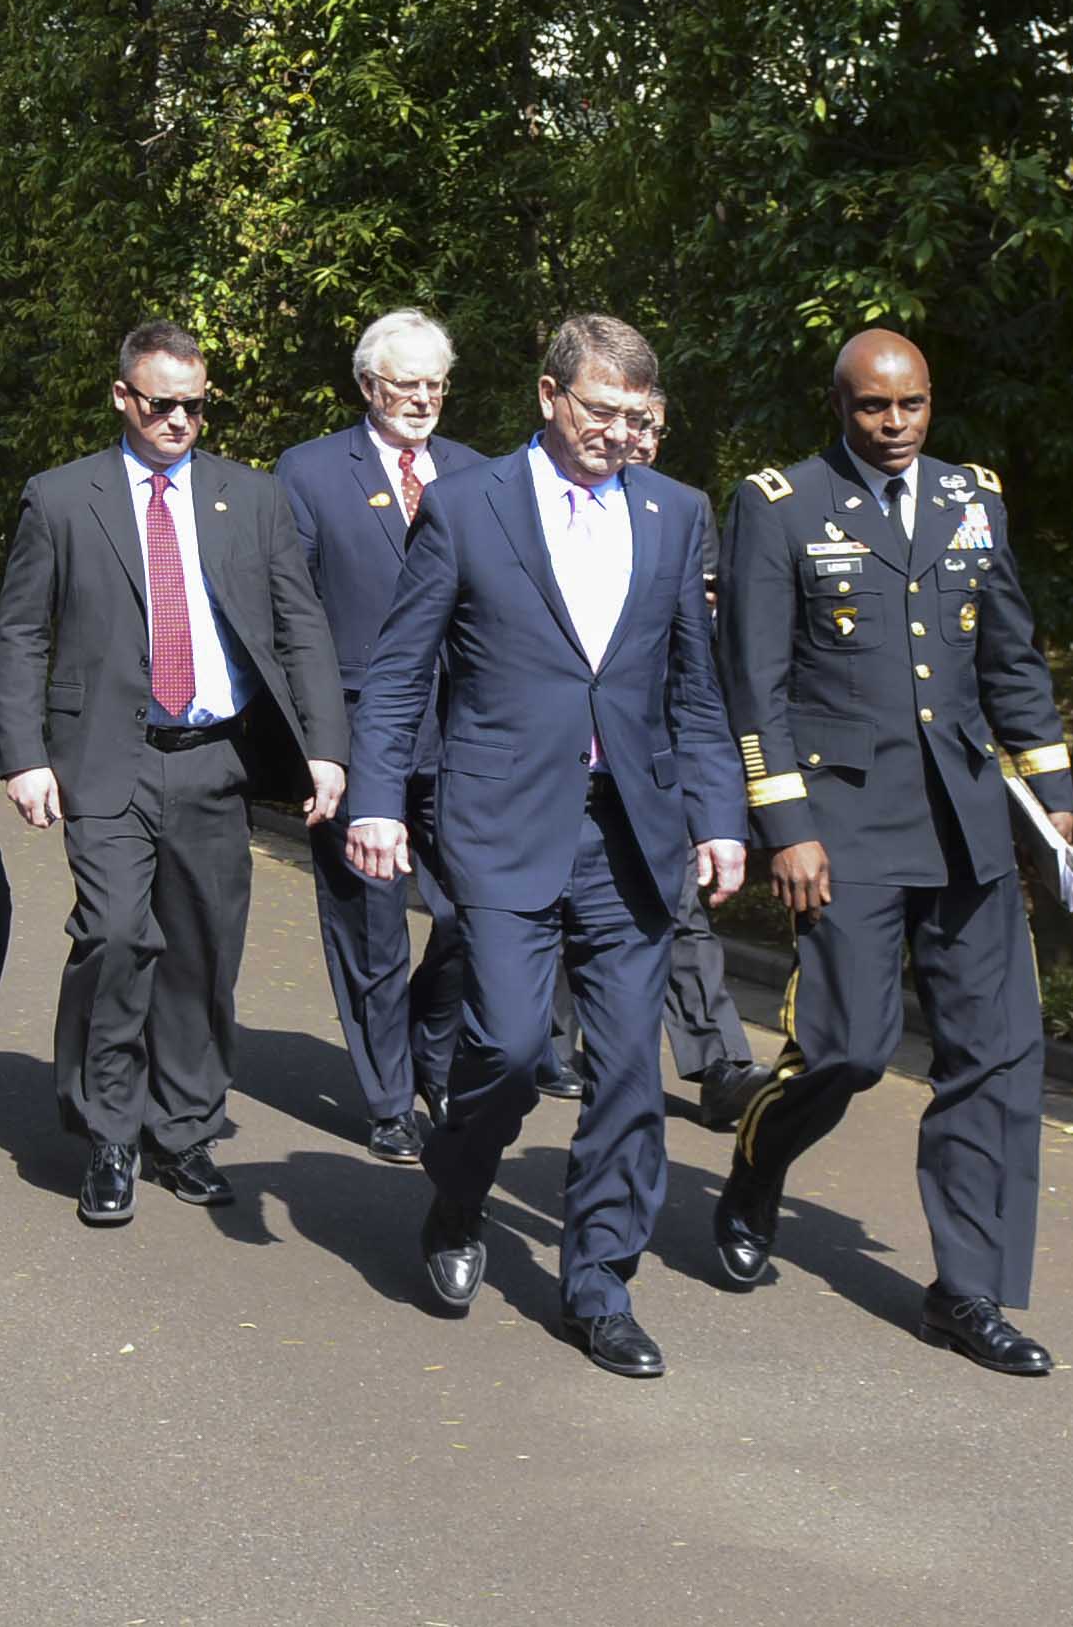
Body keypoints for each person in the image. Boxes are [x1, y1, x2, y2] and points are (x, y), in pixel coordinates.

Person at [346, 314, 745, 1378]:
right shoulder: (468, 506)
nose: (620, 433)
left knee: (622, 1070)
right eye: (602, 411)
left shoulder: (673, 513)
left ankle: (600, 1282)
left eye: (637, 417)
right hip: (503, 824)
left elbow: (695, 689)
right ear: (548, 395)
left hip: (632, 835)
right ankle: (459, 1191)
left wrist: (718, 815)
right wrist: (376, 801)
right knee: (510, 1047)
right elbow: (399, 669)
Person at [703, 328, 1073, 1373]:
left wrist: (1051, 794)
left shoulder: (971, 497)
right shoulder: (779, 505)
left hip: (964, 823)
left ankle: (968, 1293)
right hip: (843, 825)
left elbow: (1008, 653)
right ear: (840, 406)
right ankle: (755, 1169)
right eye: (875, 407)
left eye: (912, 404)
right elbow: (755, 681)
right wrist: (786, 825)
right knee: (848, 1050)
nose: (897, 424)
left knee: (994, 1056)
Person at [0, 320, 348, 1228]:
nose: (180, 420)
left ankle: (182, 1127)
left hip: (215, 760)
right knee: (115, 935)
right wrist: (25, 757)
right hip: (106, 756)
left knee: (200, 952)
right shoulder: (62, 497)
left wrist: (326, 745)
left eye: (195, 405)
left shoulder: (250, 498)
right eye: (162, 404)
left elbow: (300, 625)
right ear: (123, 396)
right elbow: (23, 631)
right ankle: (109, 1131)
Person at [275, 309, 495, 1159]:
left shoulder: (480, 472)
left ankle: (426, 1051)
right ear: (369, 385)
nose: (423, 400)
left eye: (436, 384)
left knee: (476, 909)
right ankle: (387, 1096)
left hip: (466, 733)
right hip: (360, 728)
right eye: (406, 384)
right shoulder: (311, 471)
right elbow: (293, 613)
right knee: (368, 921)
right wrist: (317, 741)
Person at [595, 386, 767, 1135]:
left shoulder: (681, 509)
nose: (639, 439)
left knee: (679, 903)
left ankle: (720, 1062)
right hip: (570, 749)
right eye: (629, 423)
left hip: (658, 744)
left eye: (653, 429)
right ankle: (548, 1043)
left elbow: (698, 641)